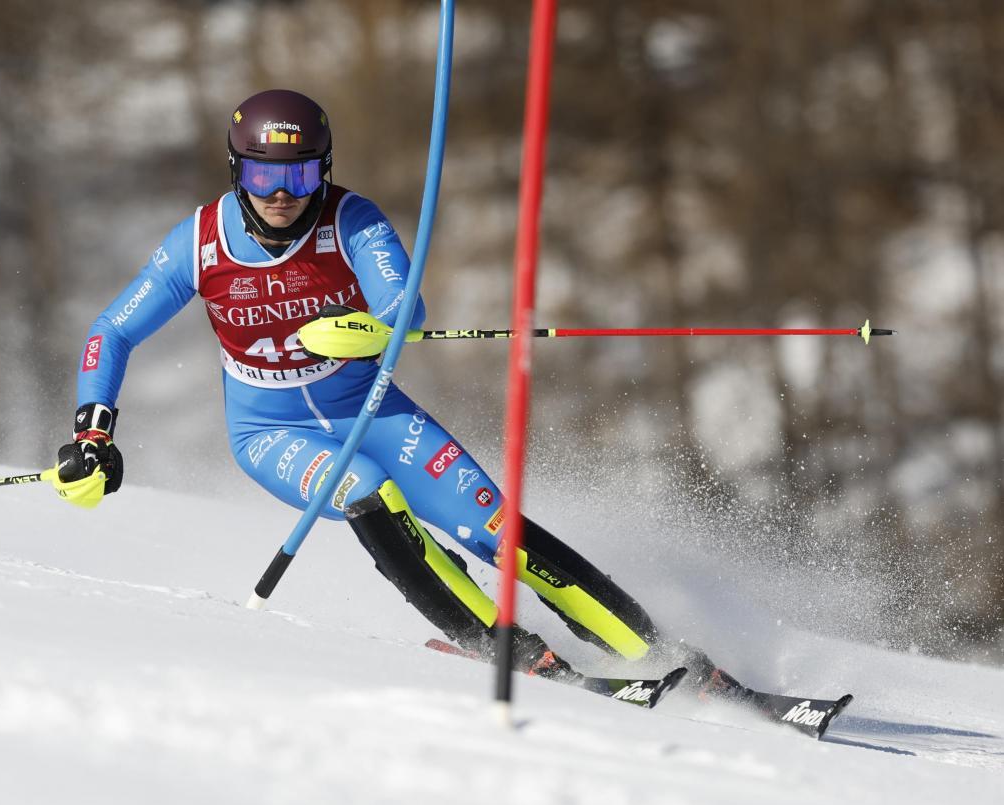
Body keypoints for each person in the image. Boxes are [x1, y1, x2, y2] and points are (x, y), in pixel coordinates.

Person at [46, 89, 727, 689]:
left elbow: (406, 306)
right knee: (368, 492)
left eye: (299, 173)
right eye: (261, 174)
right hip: (270, 432)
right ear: (236, 170)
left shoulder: (351, 220)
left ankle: (663, 656)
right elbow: (113, 330)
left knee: (496, 527)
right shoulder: (200, 243)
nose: (280, 193)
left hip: (370, 410)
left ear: (324, 169)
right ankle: (511, 653)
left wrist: (372, 330)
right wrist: (93, 432)